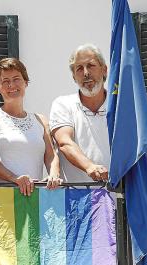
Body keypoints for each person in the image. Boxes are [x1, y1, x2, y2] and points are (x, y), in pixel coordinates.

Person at [0, 58, 62, 195]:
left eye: (16, 79)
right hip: (1, 198)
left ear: (26, 82)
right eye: (5, 81)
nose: (11, 85)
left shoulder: (41, 120)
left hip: (34, 197)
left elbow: (51, 156)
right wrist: (14, 179)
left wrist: (54, 175)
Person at [50, 43, 110, 183]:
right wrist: (90, 167)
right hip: (78, 197)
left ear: (104, 70)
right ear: (73, 77)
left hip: (118, 194)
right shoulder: (63, 104)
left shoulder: (120, 105)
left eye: (91, 65)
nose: (86, 73)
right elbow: (64, 142)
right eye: (79, 69)